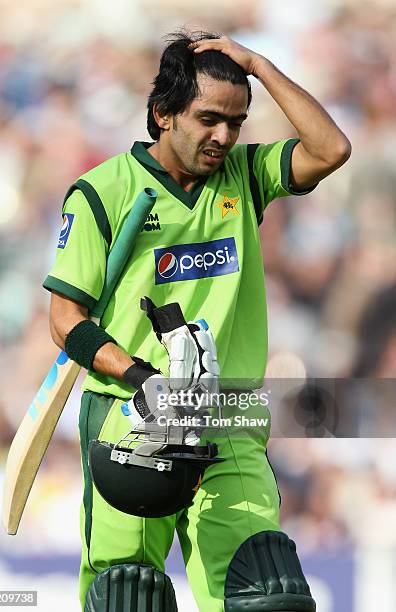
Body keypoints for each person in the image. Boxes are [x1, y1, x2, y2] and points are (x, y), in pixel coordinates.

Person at [44, 31, 351, 612]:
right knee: (126, 597)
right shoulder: (101, 192)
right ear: (162, 113)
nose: (224, 137)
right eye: (209, 118)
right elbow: (66, 321)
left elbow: (331, 147)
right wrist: (142, 381)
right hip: (132, 422)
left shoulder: (243, 175)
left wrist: (258, 64)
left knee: (266, 595)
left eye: (236, 123)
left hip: (226, 413)